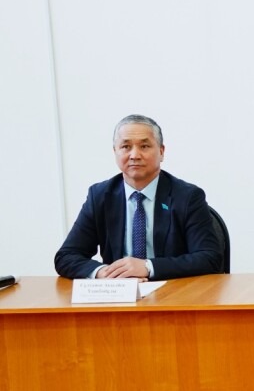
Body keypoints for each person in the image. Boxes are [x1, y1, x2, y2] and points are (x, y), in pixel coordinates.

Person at [54, 115, 222, 280]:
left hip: (173, 290)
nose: (134, 155)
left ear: (161, 152)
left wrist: (148, 267)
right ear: (115, 152)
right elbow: (66, 257)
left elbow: (209, 257)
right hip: (119, 293)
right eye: (126, 147)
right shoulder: (100, 196)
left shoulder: (188, 196)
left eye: (144, 146)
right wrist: (104, 273)